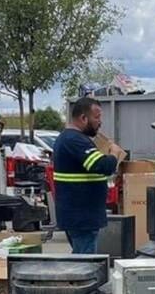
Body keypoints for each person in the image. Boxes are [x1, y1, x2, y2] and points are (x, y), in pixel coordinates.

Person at [52, 98, 125, 253]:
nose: (100, 122)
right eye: (97, 117)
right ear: (84, 118)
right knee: (85, 263)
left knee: (80, 258)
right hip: (82, 216)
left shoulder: (71, 139)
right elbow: (102, 166)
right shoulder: (75, 140)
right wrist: (114, 154)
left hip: (80, 215)